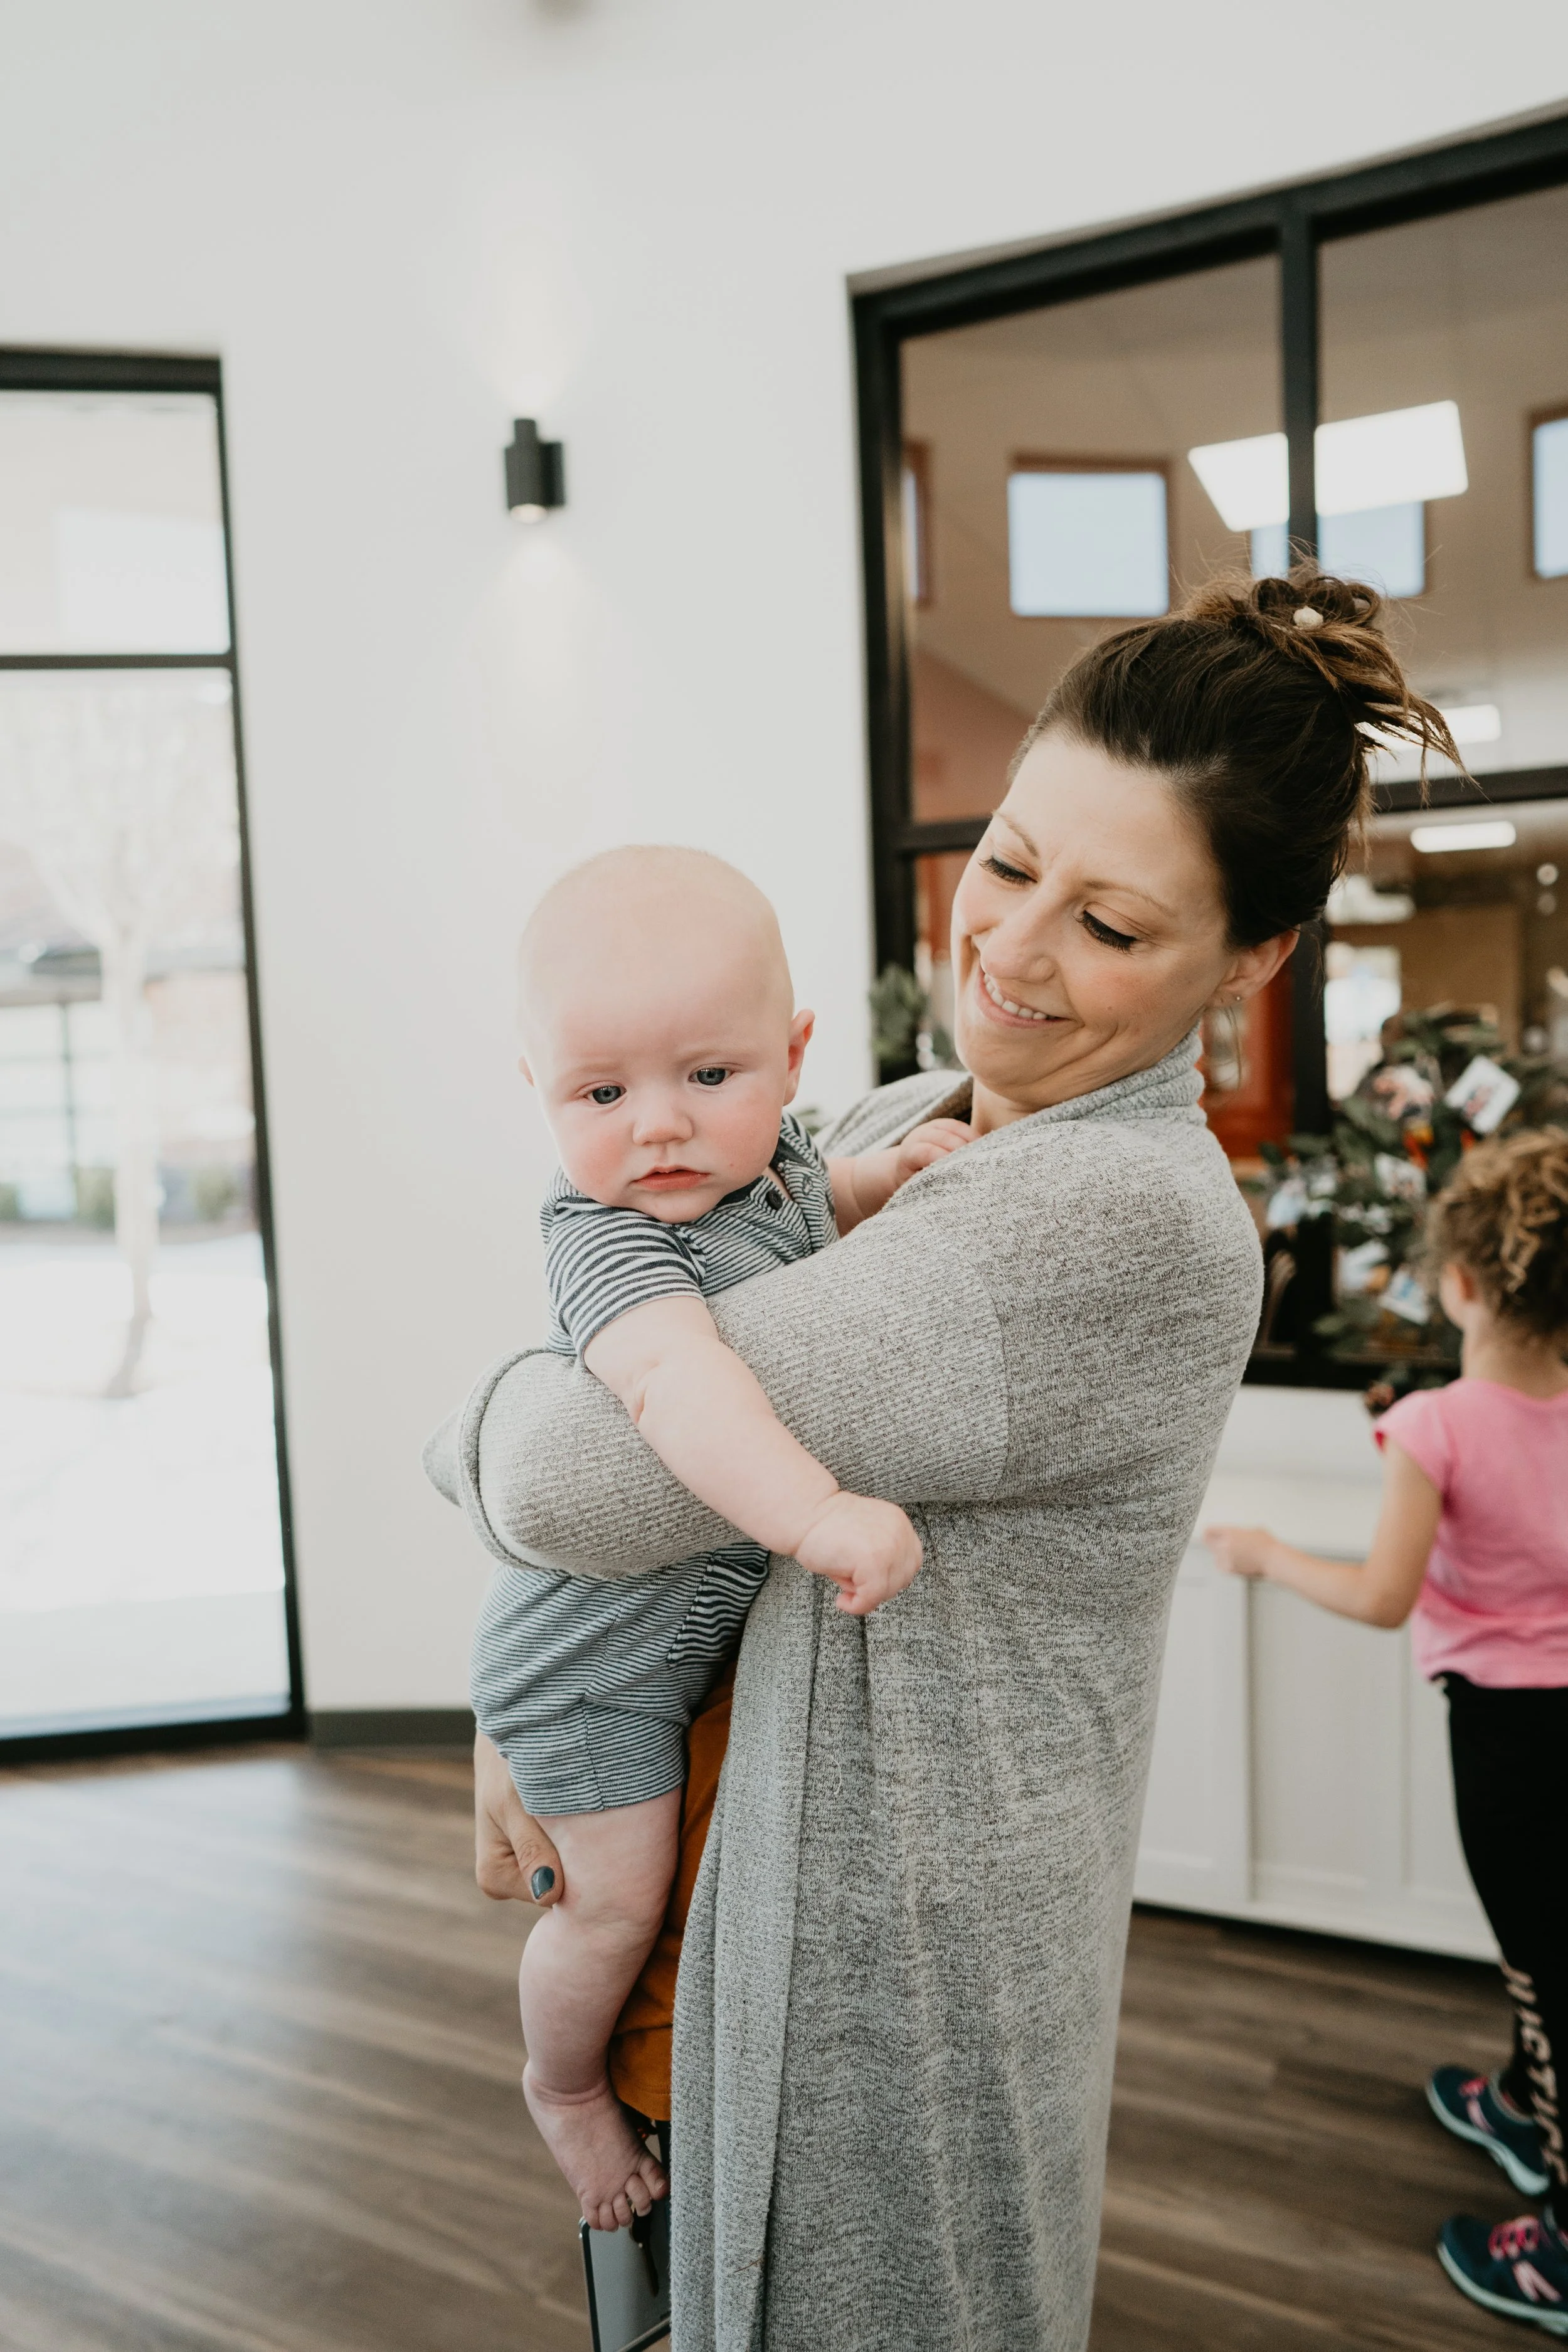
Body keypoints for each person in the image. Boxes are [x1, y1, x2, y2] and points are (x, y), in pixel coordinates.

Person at [427, 566, 1459, 2352]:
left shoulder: (1106, 1217)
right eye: (1005, 861)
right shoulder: (906, 1115)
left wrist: (458, 1434)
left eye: (1113, 926)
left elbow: (571, 1477)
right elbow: (629, 1417)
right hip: (710, 1894)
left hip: (873, 1997)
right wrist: (517, 1697)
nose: (1011, 947)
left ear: (1254, 955)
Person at [474, 844, 968, 2228]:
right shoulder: (608, 1240)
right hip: (595, 1669)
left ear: (793, 1054)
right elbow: (678, 1386)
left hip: (685, 1632)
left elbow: (814, 1202)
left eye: (708, 1076)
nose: (659, 1130)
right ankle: (562, 2087)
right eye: (600, 1092)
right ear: (539, 1091)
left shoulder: (785, 1160)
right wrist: (813, 1512)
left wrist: (885, 1180)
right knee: (614, 1907)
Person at [1207, 1127, 1568, 2335]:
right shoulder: (1462, 1416)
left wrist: (1262, 1553)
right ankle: (1520, 2102)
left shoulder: (1436, 1428)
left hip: (1514, 1746)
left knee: (1547, 1963)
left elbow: (1380, 1595)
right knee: (1545, 1947)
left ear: (1460, 1282)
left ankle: (1560, 2244)